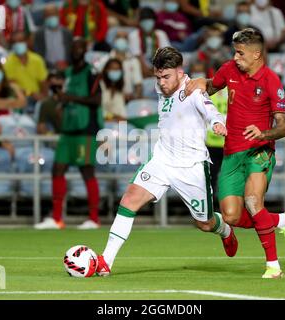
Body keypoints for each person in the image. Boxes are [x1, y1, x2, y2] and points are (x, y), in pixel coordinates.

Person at [95, 46, 237, 277]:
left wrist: (217, 124)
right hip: (162, 160)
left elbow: (211, 111)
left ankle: (225, 230)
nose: (161, 82)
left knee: (204, 223)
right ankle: (106, 261)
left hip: (191, 166)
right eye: (157, 77)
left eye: (166, 76)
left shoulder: (193, 91)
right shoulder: (162, 86)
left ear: (180, 73)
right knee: (130, 198)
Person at [185, 28, 285, 278]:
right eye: (234, 52)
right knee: (231, 216)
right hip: (231, 154)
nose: (236, 58)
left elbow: (284, 126)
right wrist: (201, 83)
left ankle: (273, 266)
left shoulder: (271, 81)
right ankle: (281, 221)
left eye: (240, 53)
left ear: (257, 54)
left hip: (259, 153)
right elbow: (212, 86)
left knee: (253, 202)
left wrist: (264, 134)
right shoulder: (229, 70)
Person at [34, 37, 103, 230]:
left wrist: (69, 98)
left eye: (79, 47)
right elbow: (65, 94)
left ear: (85, 50)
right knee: (57, 168)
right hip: (68, 128)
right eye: (73, 47)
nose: (75, 51)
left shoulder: (92, 72)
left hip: (85, 129)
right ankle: (56, 218)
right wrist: (62, 103)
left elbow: (97, 100)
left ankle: (94, 219)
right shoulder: (69, 73)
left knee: (86, 171)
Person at [3, 31, 48, 104]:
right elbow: (12, 86)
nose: (18, 44)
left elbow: (43, 83)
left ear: (27, 42)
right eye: (15, 42)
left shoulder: (37, 60)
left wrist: (43, 96)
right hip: (18, 99)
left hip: (37, 99)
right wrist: (30, 93)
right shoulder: (8, 62)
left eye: (20, 41)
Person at [99, 30, 143, 101]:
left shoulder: (134, 61)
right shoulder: (105, 60)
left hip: (129, 99)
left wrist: (136, 98)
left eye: (125, 37)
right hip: (109, 98)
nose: (121, 40)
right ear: (114, 40)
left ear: (128, 41)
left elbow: (138, 84)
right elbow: (100, 81)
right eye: (118, 37)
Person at [128, 7, 170, 77]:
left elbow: (166, 55)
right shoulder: (133, 35)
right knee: (134, 63)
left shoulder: (161, 34)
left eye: (149, 20)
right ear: (140, 22)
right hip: (141, 67)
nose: (147, 23)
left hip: (158, 67)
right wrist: (149, 73)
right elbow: (138, 57)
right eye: (144, 20)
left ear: (154, 21)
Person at [33, 3, 73, 71]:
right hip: (48, 70)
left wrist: (66, 64)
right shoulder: (39, 34)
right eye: (48, 15)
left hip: (67, 69)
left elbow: (71, 52)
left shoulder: (67, 32)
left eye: (54, 14)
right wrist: (53, 66)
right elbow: (38, 55)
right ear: (44, 17)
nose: (51, 17)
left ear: (58, 14)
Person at [36, 71, 64, 135]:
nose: (55, 82)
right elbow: (41, 127)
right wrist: (50, 135)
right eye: (51, 81)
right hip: (59, 138)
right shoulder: (46, 104)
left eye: (58, 79)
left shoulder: (73, 101)